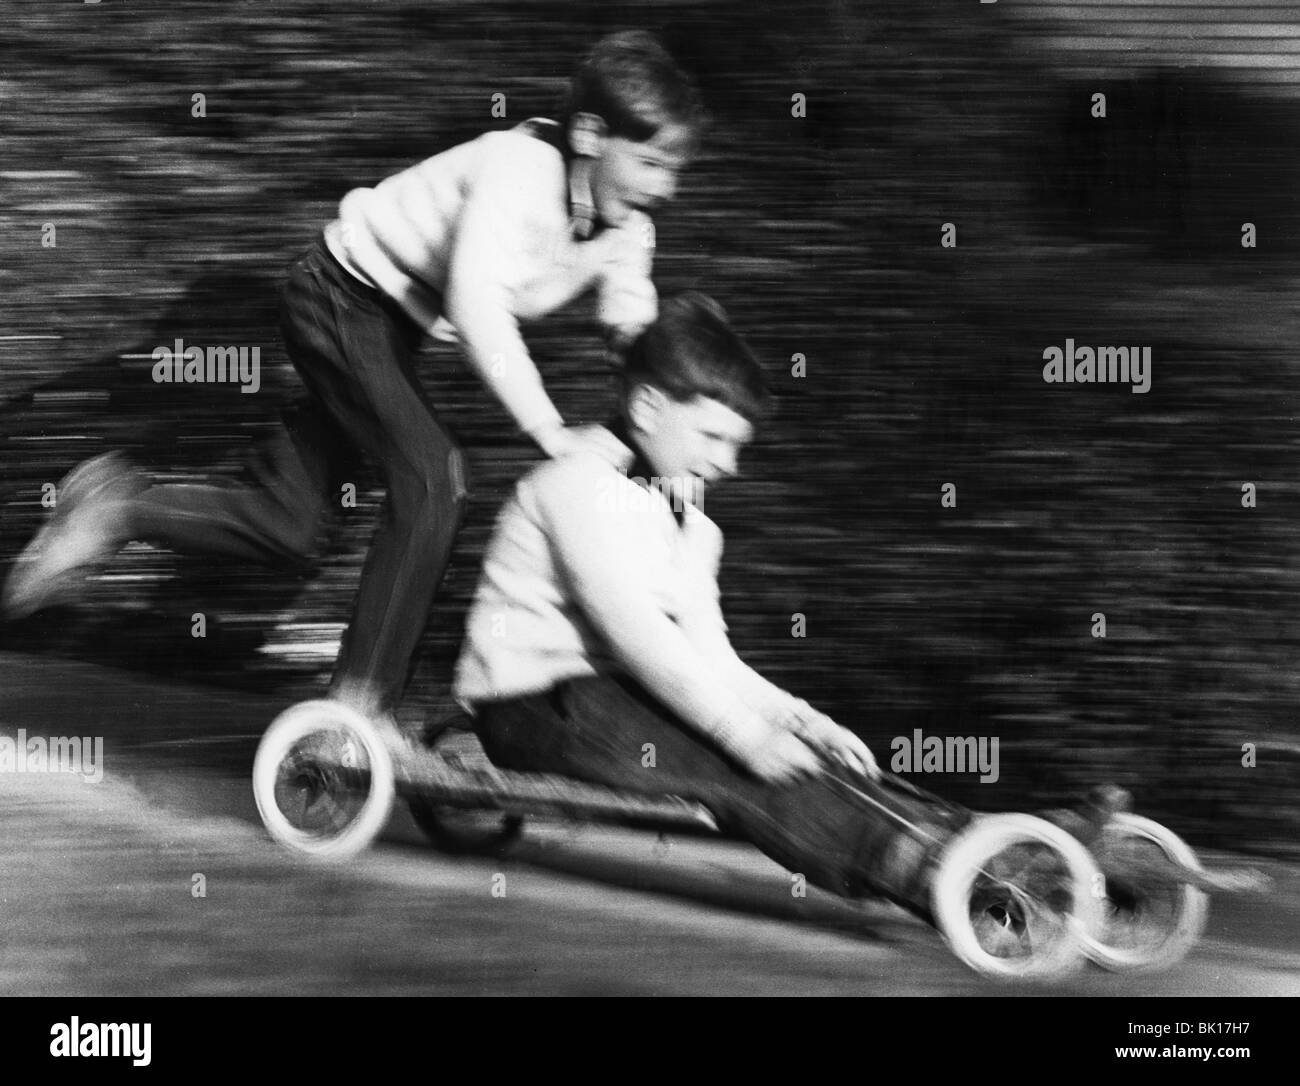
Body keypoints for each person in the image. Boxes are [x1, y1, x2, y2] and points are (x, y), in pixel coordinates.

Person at [3, 31, 704, 721]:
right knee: (436, 479)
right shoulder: (517, 171)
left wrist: (654, 421)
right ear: (589, 134)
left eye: (673, 169)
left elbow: (632, 327)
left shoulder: (627, 228)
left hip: (389, 331)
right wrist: (550, 430)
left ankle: (116, 506)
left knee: (291, 525)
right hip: (337, 295)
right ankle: (360, 708)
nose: (665, 188)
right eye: (649, 163)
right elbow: (477, 305)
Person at [449, 292, 969, 902]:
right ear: (647, 407)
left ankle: (967, 841)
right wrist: (746, 736)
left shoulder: (694, 527)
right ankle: (921, 869)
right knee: (735, 760)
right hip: (534, 704)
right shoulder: (576, 486)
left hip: (623, 695)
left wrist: (802, 720)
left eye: (737, 446)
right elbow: (638, 636)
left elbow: (711, 662)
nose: (729, 464)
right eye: (713, 437)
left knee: (795, 750)